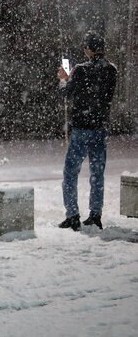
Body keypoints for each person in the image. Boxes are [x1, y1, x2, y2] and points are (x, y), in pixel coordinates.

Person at [57, 30, 117, 231]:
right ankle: (95, 214)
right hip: (100, 128)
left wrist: (65, 78)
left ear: (88, 49)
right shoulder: (111, 70)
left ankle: (72, 214)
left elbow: (67, 93)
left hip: (82, 128)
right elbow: (106, 96)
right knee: (97, 173)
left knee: (70, 172)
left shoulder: (81, 70)